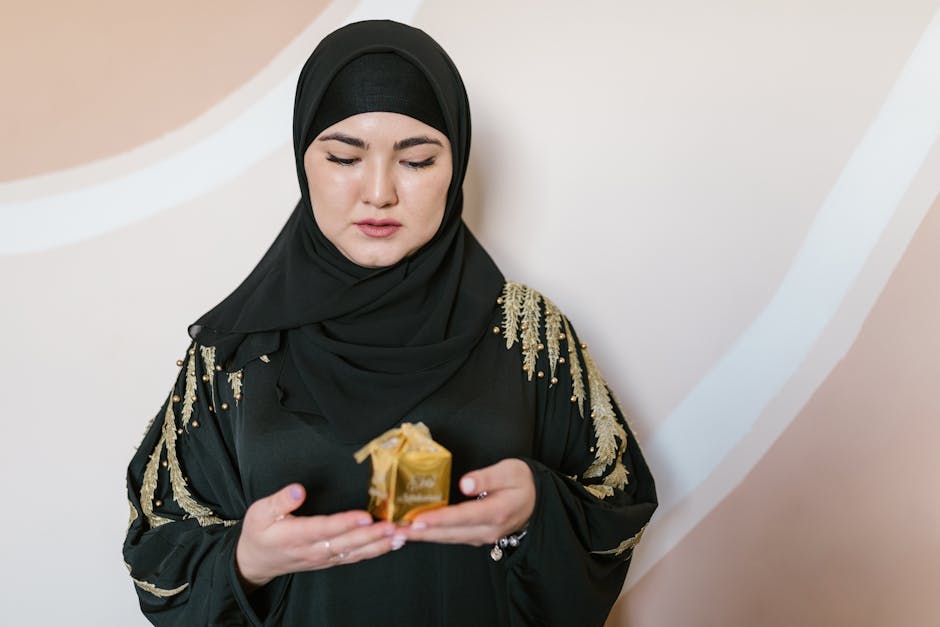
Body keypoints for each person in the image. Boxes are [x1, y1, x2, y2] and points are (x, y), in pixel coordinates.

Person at [123, 19, 656, 627]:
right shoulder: (235, 352)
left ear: (455, 167)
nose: (378, 193)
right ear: (305, 163)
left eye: (418, 160)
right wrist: (245, 559)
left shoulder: (526, 332)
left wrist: (538, 505)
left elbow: (616, 501)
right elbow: (157, 545)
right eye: (345, 157)